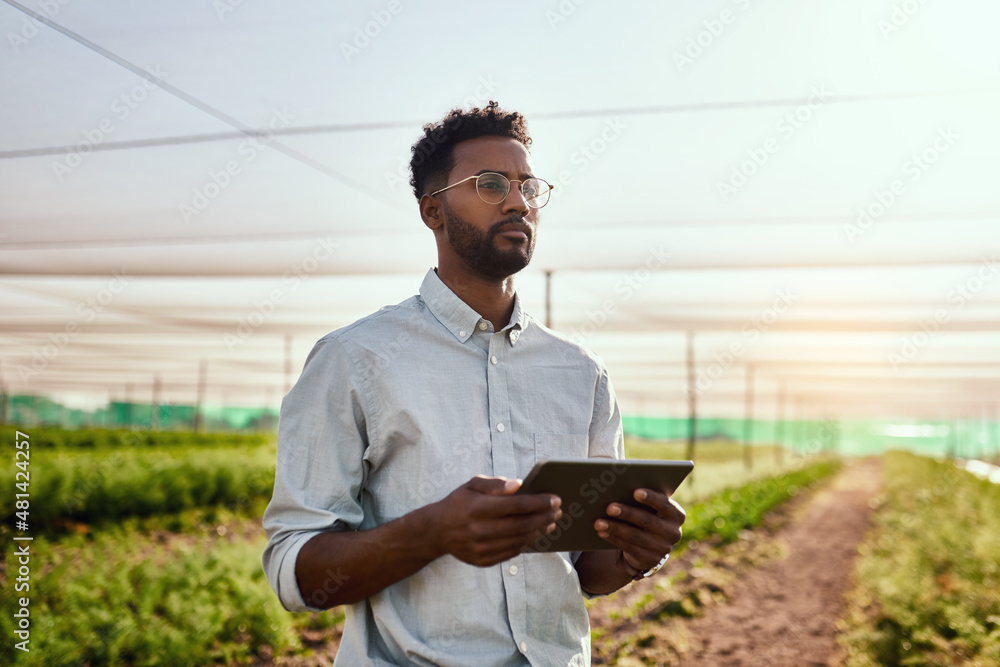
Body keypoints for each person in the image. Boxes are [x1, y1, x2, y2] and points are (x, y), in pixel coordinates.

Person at [261, 101, 685, 666]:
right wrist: (432, 532)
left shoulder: (581, 373)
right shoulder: (354, 359)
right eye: (490, 184)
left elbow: (585, 572)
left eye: (527, 186)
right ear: (432, 211)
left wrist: (636, 553)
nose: (517, 202)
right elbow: (296, 571)